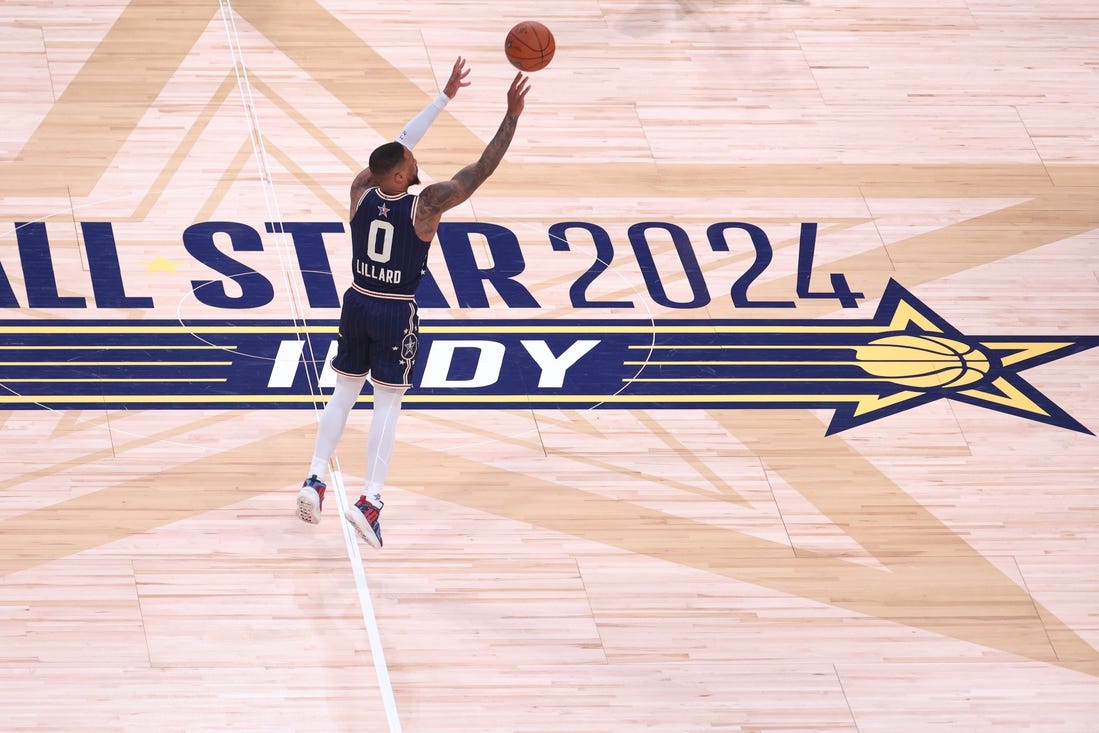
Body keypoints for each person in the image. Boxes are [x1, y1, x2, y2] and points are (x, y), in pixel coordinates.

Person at [296, 57, 531, 549]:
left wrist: (445, 98)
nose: (414, 160)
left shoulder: (361, 190)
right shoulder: (426, 206)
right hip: (394, 310)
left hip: (356, 302)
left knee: (343, 392)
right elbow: (481, 170)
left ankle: (315, 480)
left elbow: (396, 148)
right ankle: (370, 501)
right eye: (409, 165)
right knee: (388, 403)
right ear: (401, 178)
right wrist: (510, 115)